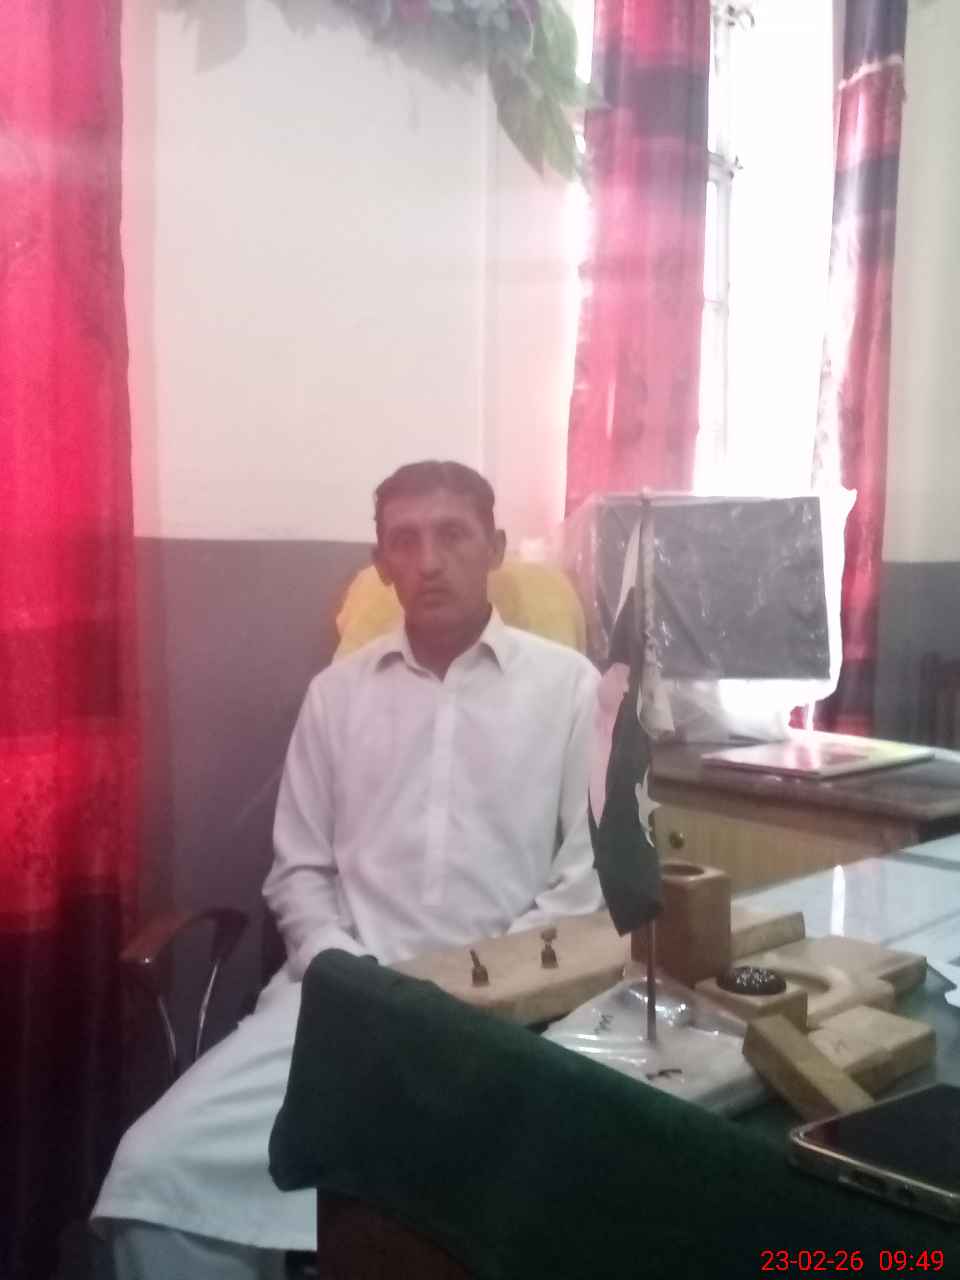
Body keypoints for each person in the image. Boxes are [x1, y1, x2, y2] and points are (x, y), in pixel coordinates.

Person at [93, 460, 602, 1279]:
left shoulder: (570, 691)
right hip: (337, 1005)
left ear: (496, 548)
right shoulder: (336, 696)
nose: (429, 561)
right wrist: (352, 977)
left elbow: (583, 885)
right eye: (406, 540)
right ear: (381, 564)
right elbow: (298, 873)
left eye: (453, 535)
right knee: (152, 1175)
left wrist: (483, 993)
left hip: (505, 1022)